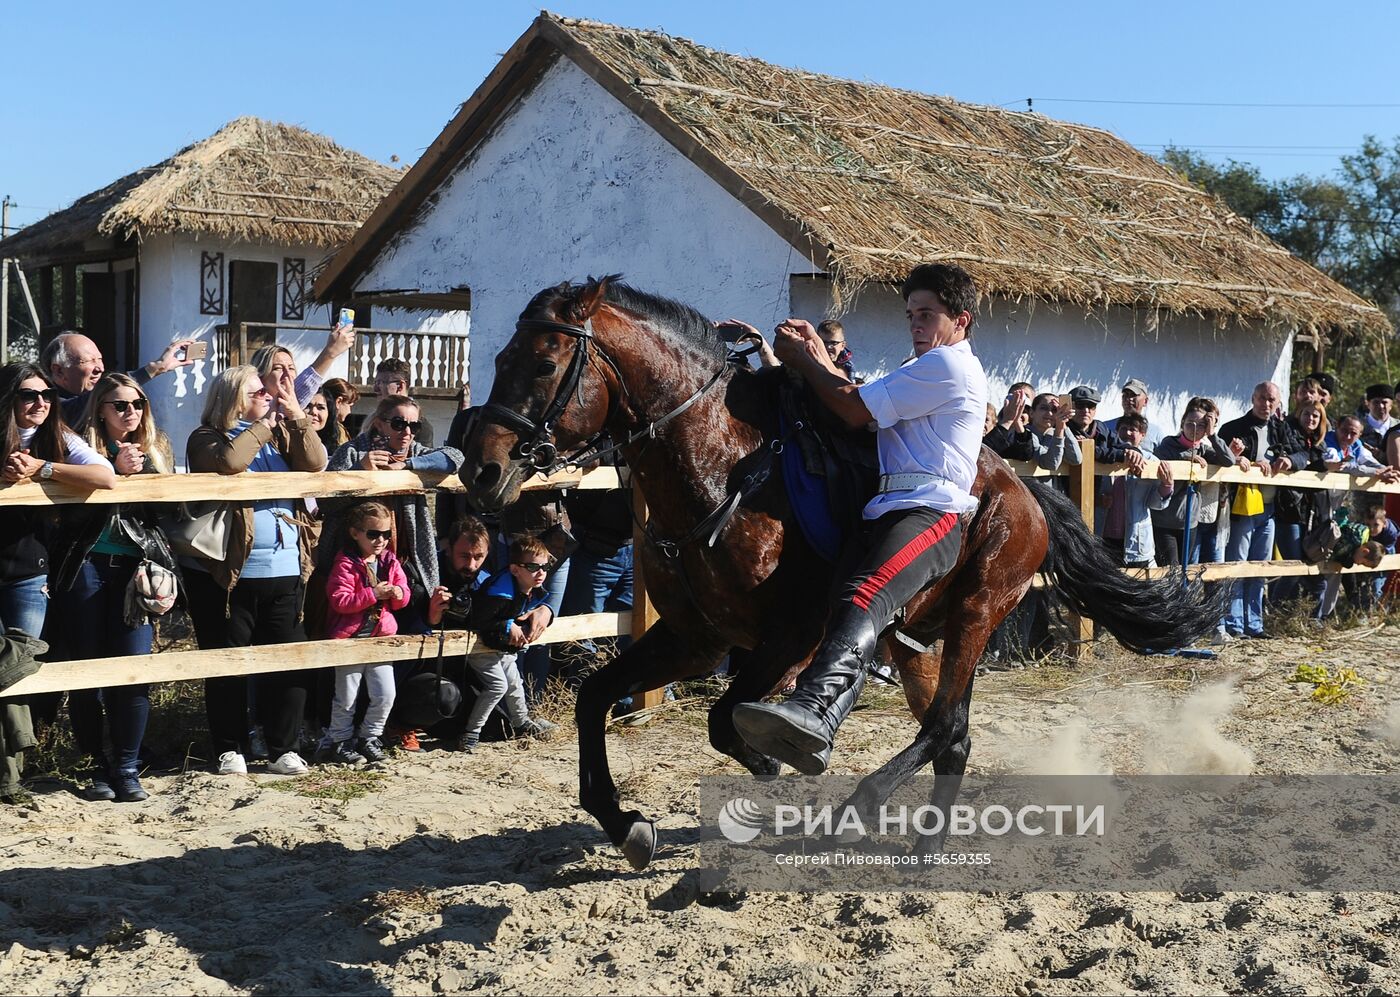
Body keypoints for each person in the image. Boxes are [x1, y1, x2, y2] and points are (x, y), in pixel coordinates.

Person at [732, 263, 988, 775]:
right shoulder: (924, 365)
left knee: (864, 596)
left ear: (960, 319)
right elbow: (857, 399)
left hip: (930, 511)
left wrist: (806, 360)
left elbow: (852, 408)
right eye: (910, 314)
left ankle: (813, 709)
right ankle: (818, 726)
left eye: (927, 314)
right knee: (841, 610)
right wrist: (820, 355)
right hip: (889, 508)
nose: (915, 324)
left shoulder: (948, 365)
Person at [185, 365, 327, 776]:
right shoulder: (206, 437)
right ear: (232, 398)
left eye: (268, 392)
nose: (268, 395)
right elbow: (231, 461)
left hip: (285, 569)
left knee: (288, 662)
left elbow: (316, 462)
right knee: (228, 665)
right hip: (230, 575)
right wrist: (265, 424)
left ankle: (284, 747)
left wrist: (295, 415)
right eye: (257, 392)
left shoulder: (278, 435)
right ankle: (230, 748)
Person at [48, 373, 178, 803]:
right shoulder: (78, 448)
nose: (131, 412)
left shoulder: (157, 447)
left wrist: (147, 471)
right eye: (120, 405)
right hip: (85, 564)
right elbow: (66, 513)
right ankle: (96, 766)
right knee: (87, 671)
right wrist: (112, 471)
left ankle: (127, 767)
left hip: (136, 570)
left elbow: (171, 510)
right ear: (100, 410)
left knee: (133, 671)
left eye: (138, 404)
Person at [0, 362, 117, 776]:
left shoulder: (57, 436)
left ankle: (14, 770)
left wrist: (43, 469)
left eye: (47, 395)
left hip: (29, 571)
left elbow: (106, 477)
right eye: (29, 395)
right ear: (8, 399)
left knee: (18, 669)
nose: (40, 403)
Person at [318, 501, 408, 765]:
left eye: (386, 534)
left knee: (386, 694)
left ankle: (370, 737)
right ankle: (340, 741)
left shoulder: (390, 561)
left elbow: (403, 595)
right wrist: (373, 594)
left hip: (381, 639)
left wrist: (399, 594)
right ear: (355, 533)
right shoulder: (345, 563)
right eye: (373, 534)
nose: (381, 540)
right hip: (351, 640)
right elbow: (340, 600)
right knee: (346, 697)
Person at [1218, 381, 1308, 639]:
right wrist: (1237, 459)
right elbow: (1218, 455)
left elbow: (1304, 454)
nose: (1266, 404)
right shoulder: (1233, 428)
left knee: (1260, 567)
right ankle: (1234, 624)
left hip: (1270, 508)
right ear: (1252, 398)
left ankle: (1254, 624)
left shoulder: (1282, 429)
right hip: (1242, 506)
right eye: (1261, 398)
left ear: (1278, 403)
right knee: (1237, 565)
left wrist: (1289, 459)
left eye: (1271, 400)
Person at [460, 535, 559, 752]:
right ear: (515, 569)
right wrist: (507, 625)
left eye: (545, 566)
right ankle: (471, 733)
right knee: (498, 686)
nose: (541, 572)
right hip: (481, 648)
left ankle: (521, 723)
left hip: (501, 648)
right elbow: (477, 620)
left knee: (515, 683)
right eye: (533, 567)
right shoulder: (499, 592)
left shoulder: (526, 587)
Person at [1152, 402, 1249, 568]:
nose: (1194, 429)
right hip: (1165, 522)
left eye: (1201, 425)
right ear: (1182, 423)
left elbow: (1228, 460)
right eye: (1190, 423)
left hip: (1189, 522)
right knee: (1170, 570)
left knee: (1185, 569)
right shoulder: (1169, 444)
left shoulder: (1203, 450)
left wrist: (1212, 435)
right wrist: (1186, 459)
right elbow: (1158, 459)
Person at [41, 331, 197, 426]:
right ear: (59, 371)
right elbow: (84, 403)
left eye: (100, 359)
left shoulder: (98, 403)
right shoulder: (46, 405)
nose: (100, 368)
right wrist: (154, 368)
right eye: (89, 361)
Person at [1098, 414, 1174, 567]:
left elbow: (1155, 504)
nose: (1127, 433)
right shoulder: (1106, 457)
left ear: (1142, 435)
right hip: (1104, 535)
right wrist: (1098, 499)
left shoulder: (1150, 461)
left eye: (1133, 429)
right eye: (1123, 428)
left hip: (1135, 540)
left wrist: (1166, 485)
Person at [246, 319, 356, 410]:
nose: (287, 374)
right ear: (260, 377)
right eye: (278, 368)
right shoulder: (256, 409)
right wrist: (329, 353)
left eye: (291, 368)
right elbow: (301, 392)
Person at [372, 358, 434, 444]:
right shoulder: (374, 418)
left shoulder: (420, 426)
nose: (375, 389)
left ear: (400, 386)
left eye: (380, 383)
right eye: (375, 383)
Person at [983, 381, 1035, 459]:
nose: (1018, 399)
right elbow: (984, 452)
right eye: (1014, 395)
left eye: (1024, 411)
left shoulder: (1033, 433)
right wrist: (1007, 422)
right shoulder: (992, 428)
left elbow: (1025, 455)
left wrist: (1019, 426)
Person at [1360, 384, 1397, 461]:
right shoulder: (1356, 426)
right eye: (1376, 402)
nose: (1381, 406)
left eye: (1384, 402)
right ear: (1368, 404)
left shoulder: (1397, 427)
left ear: (1391, 405)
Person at [320, 377, 359, 446]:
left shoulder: (316, 424)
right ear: (338, 401)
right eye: (349, 405)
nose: (349, 411)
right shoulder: (337, 430)